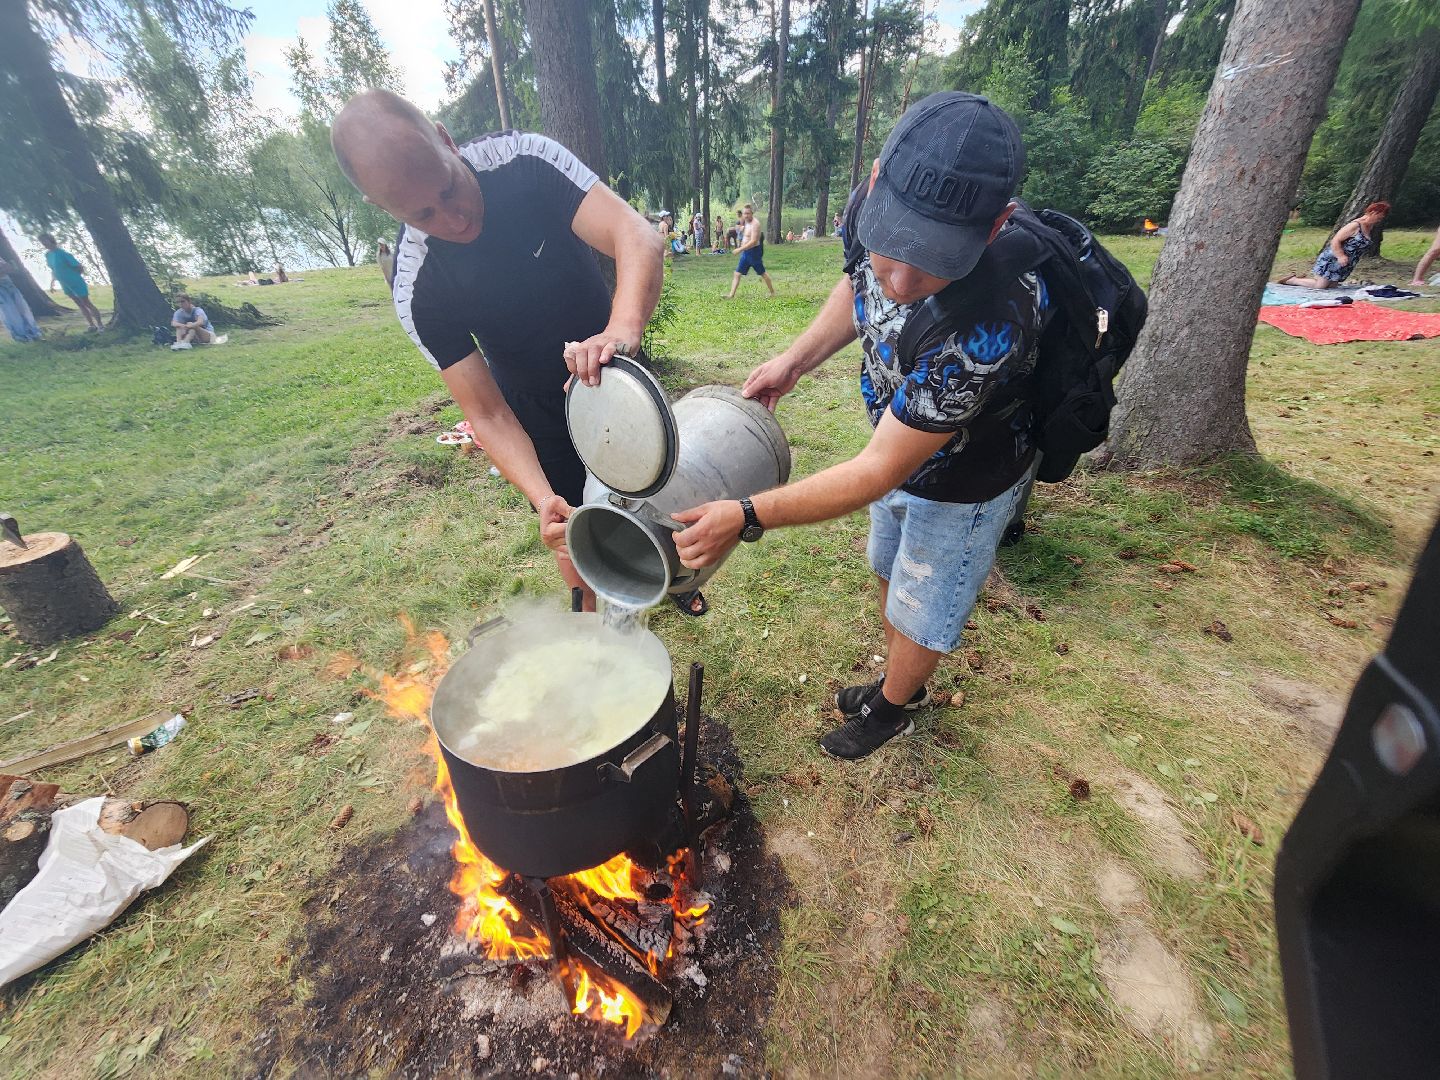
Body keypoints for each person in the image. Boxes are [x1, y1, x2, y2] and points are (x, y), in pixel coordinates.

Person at [674, 92, 1050, 760]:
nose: (901, 280)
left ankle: (895, 707)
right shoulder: (869, 208)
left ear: (994, 229)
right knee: (888, 565)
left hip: (968, 472)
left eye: (932, 260)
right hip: (899, 435)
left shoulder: (992, 321)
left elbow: (878, 469)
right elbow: (858, 286)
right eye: (893, 247)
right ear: (877, 182)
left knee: (925, 597)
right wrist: (797, 359)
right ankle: (897, 680)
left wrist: (748, 513)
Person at [330, 88, 668, 613]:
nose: (453, 218)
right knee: (573, 529)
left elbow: (637, 235)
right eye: (423, 213)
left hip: (615, 371)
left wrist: (620, 331)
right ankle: (594, 628)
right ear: (381, 207)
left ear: (446, 140)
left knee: (657, 495)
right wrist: (540, 498)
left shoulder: (526, 163)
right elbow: (484, 412)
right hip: (533, 410)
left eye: (448, 189)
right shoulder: (418, 286)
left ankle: (674, 580)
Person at [1278, 202, 1389, 289]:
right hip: (1333, 258)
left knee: (1332, 286)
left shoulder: (1370, 227)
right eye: (1380, 217)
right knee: (1320, 286)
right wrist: (1340, 255)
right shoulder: (1355, 225)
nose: (1380, 220)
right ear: (1373, 212)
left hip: (1346, 262)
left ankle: (1303, 280)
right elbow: (1335, 240)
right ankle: (1292, 280)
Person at [39, 234, 103, 331]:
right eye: (42, 242)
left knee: (86, 303)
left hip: (75, 282)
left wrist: (73, 276)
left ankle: (100, 325)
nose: (44, 244)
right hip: (65, 284)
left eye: (45, 241)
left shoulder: (63, 253)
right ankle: (91, 325)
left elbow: (79, 267)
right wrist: (52, 282)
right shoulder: (48, 255)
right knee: (80, 305)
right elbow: (53, 269)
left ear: (51, 240)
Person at [726, 204, 775, 299]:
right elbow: (746, 234)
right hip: (746, 253)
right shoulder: (746, 222)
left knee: (762, 273)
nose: (746, 215)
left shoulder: (755, 224)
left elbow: (753, 241)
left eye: (748, 213)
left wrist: (739, 249)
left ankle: (772, 292)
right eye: (744, 213)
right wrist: (740, 229)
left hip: (754, 253)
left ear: (752, 213)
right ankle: (731, 295)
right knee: (737, 273)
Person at [0, 259, 42, 342]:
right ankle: (21, 337)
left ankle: (34, 333)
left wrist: (4, 270)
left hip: (9, 285)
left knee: (23, 310)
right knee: (9, 313)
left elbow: (10, 268)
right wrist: (3, 270)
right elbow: (5, 269)